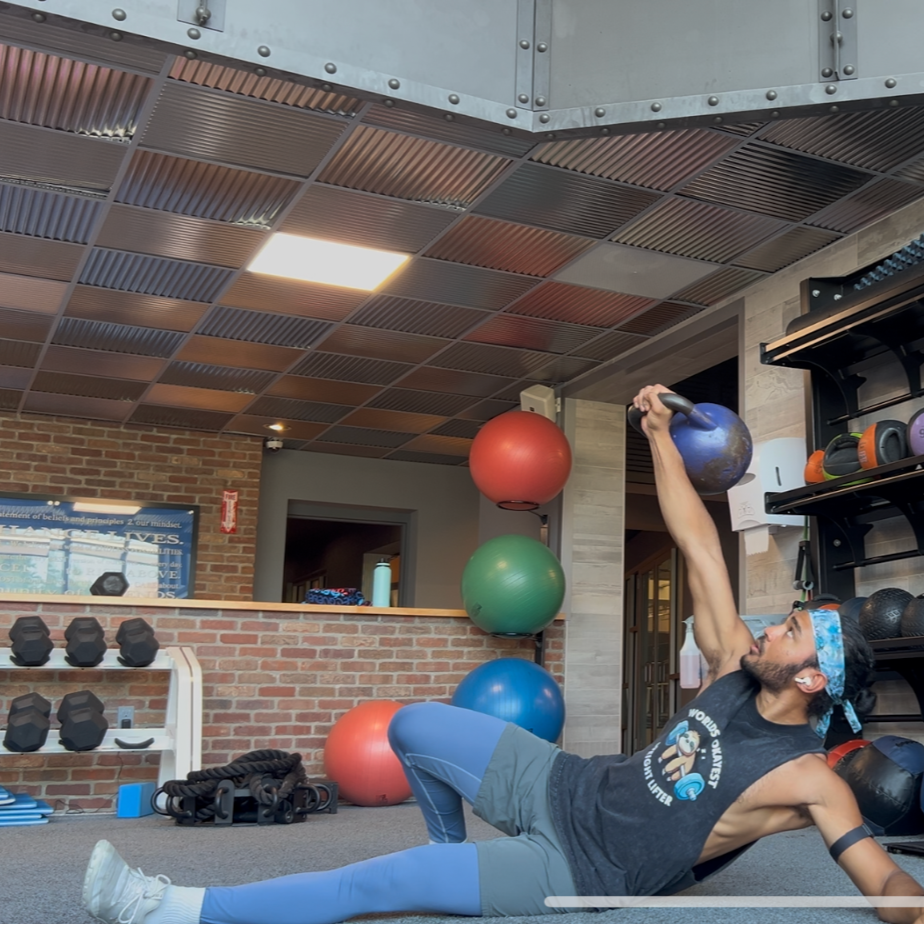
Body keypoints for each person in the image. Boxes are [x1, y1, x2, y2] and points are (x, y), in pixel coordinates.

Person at [82, 384, 924, 925]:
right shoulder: (739, 659)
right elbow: (697, 541)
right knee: (413, 724)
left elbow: (880, 879)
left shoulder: (809, 776)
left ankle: (170, 906)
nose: (773, 623)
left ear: (812, 677)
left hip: (579, 865)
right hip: (564, 780)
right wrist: (659, 434)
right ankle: (457, 854)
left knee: (384, 883)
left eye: (795, 629)